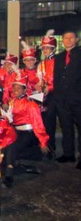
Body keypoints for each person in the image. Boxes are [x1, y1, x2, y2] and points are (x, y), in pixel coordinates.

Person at [53, 30, 81, 169]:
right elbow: (56, 77)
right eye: (65, 38)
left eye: (71, 38)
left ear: (77, 39)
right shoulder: (59, 57)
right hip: (62, 99)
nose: (68, 40)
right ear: (62, 40)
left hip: (78, 99)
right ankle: (68, 153)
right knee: (66, 127)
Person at [36, 29, 57, 158]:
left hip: (55, 94)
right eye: (44, 48)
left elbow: (60, 79)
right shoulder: (42, 64)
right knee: (42, 121)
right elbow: (39, 79)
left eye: (48, 48)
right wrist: (39, 86)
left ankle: (51, 147)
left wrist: (49, 88)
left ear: (53, 48)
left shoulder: (58, 62)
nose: (45, 50)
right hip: (43, 95)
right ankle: (44, 146)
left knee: (51, 122)